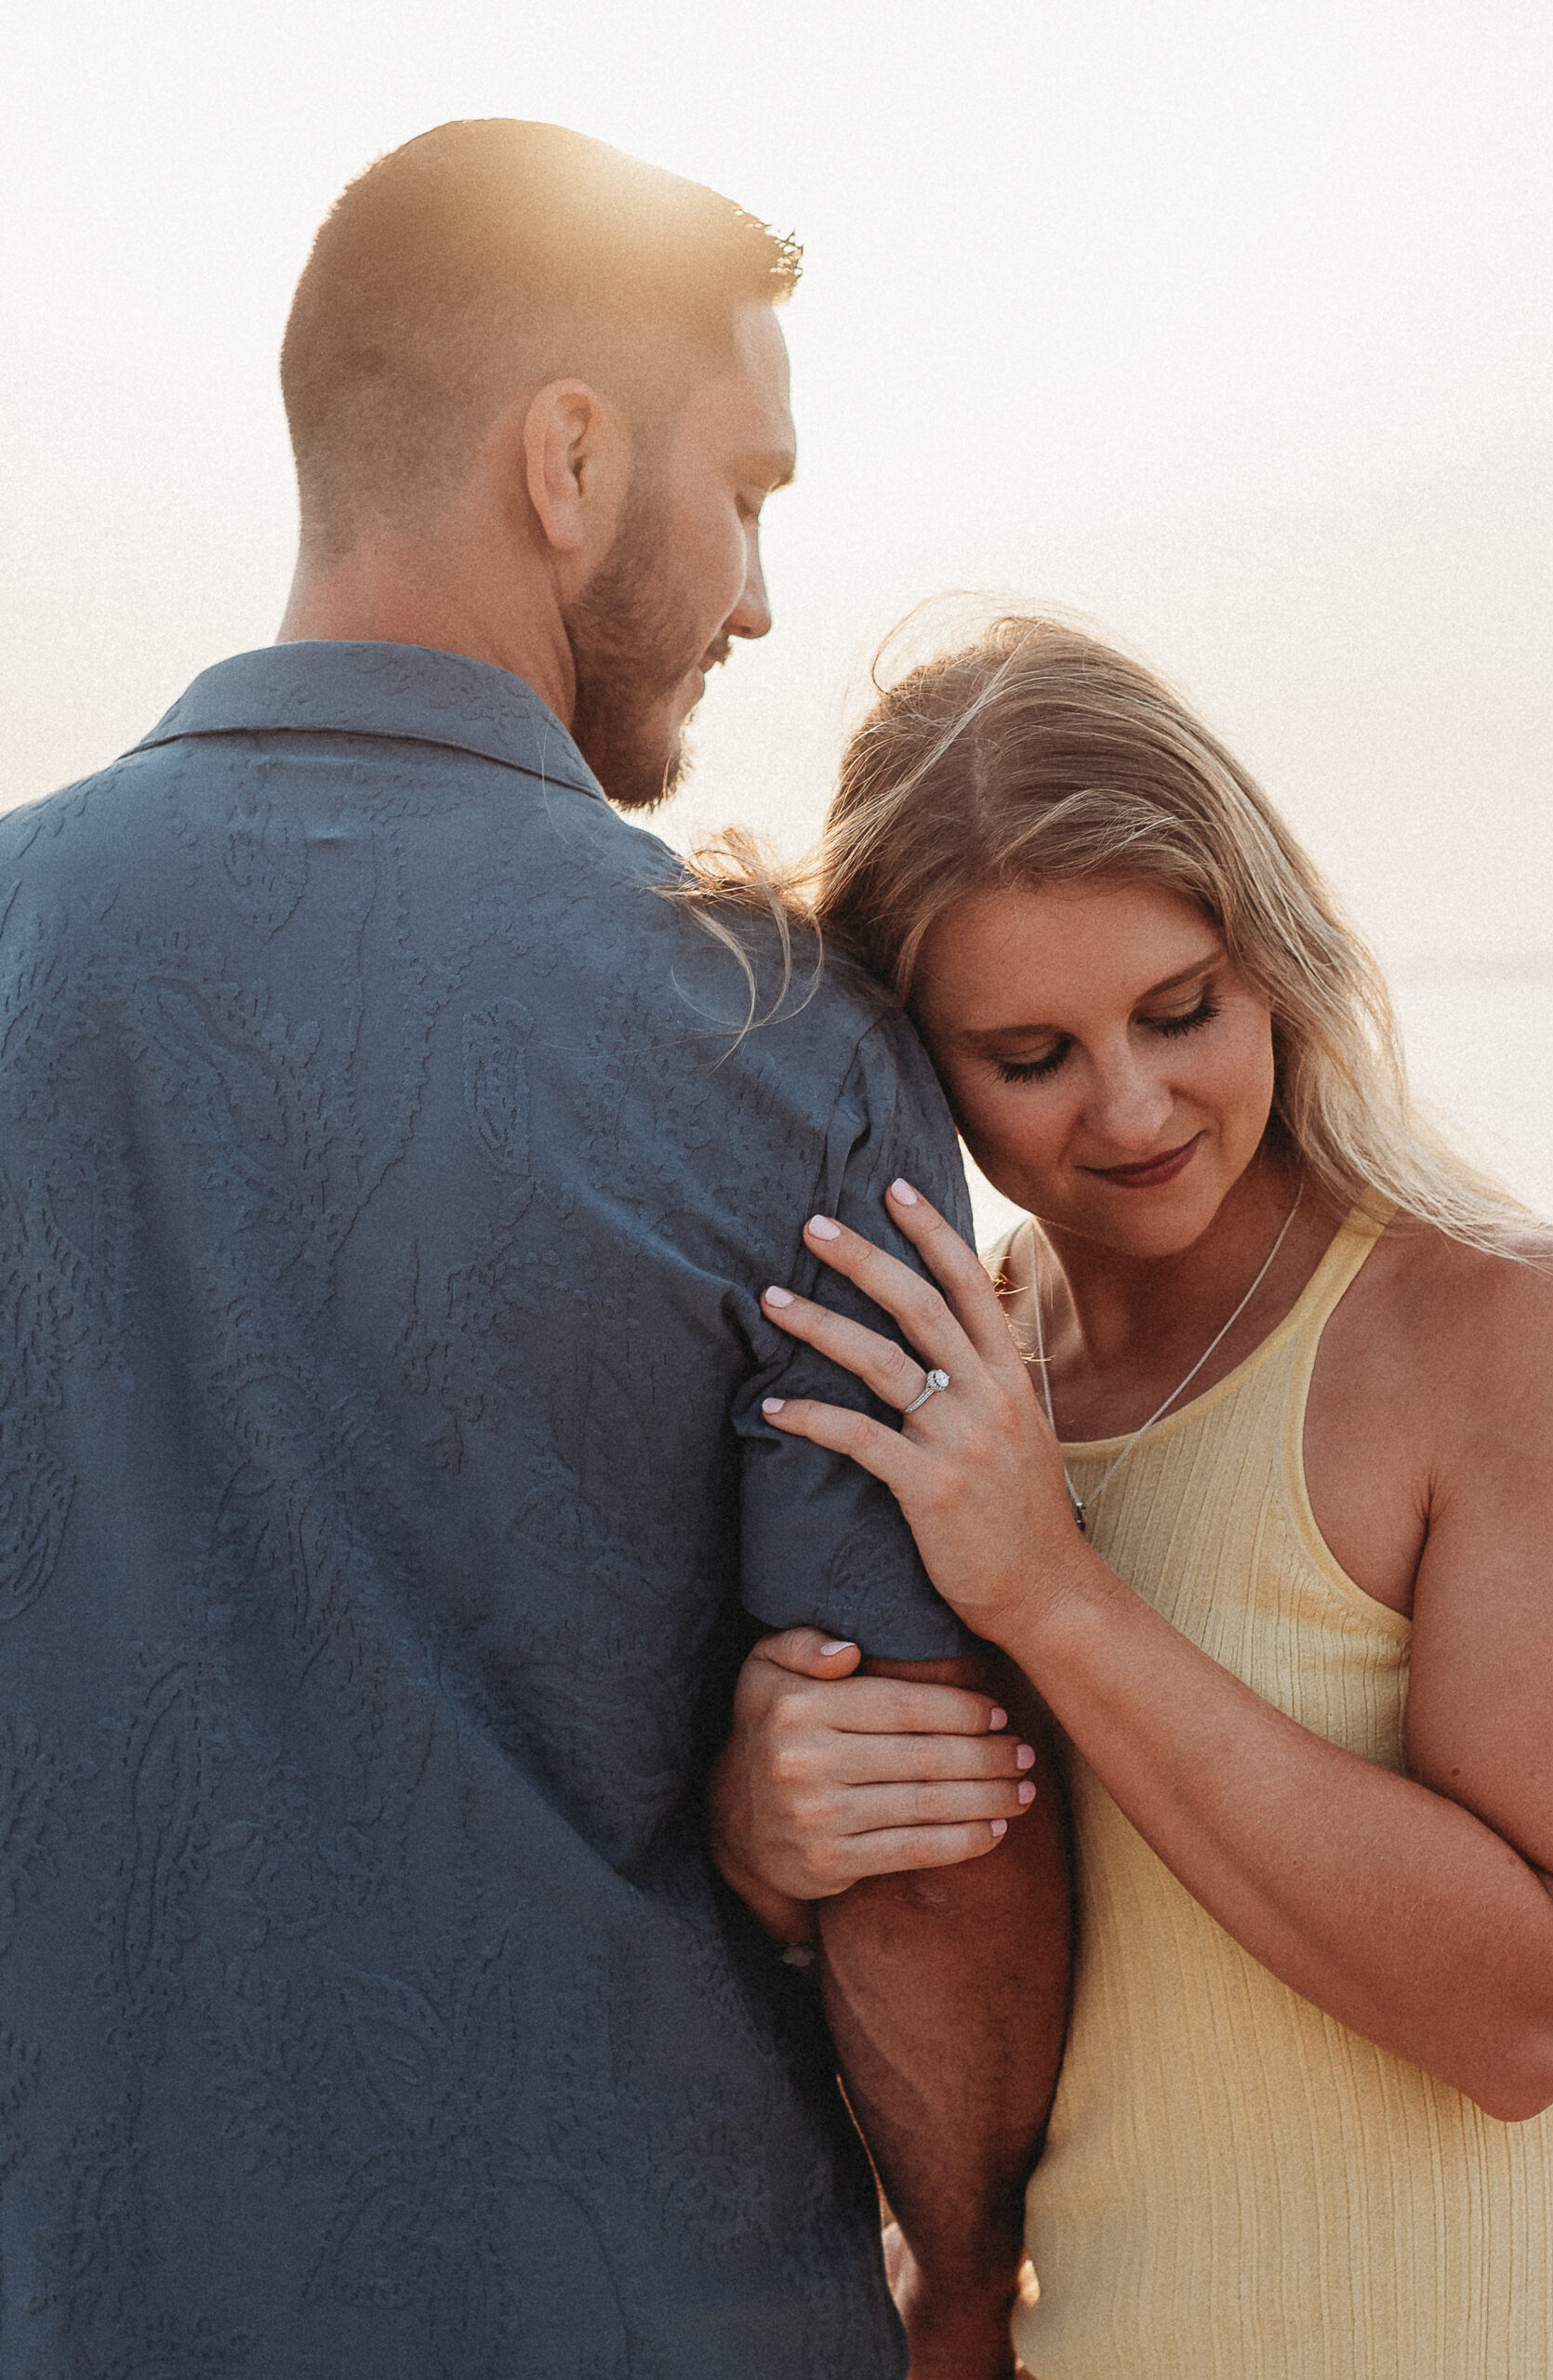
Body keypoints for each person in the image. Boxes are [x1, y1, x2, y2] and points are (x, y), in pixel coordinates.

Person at [0, 129, 1062, 2375]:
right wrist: (963, 2281)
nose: (758, 591)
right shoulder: (777, 1036)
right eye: (744, 490)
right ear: (567, 460)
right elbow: (926, 1830)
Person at [710, 615, 1553, 2378]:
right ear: (907, 1065)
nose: (1130, 1106)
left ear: (1273, 960)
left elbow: (1531, 2013)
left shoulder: (1498, 1326)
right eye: (1028, 1058)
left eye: (1180, 1011)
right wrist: (763, 1832)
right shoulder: (957, 1393)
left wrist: (1054, 1594)